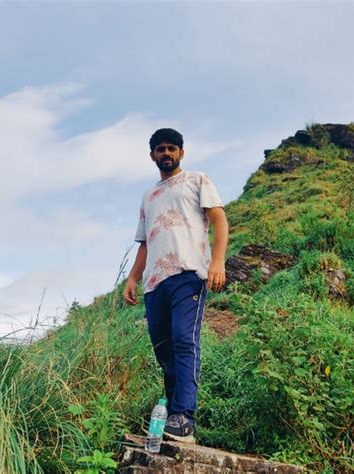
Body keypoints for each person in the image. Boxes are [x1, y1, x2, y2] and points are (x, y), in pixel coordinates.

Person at [123, 128, 229, 443]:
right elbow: (145, 242)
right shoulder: (149, 196)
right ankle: (172, 417)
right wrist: (133, 277)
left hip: (188, 273)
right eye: (160, 149)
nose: (166, 153)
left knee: (184, 339)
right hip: (155, 284)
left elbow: (219, 219)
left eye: (172, 148)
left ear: (181, 152)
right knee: (164, 351)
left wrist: (217, 262)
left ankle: (184, 418)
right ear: (152, 155)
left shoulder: (198, 180)